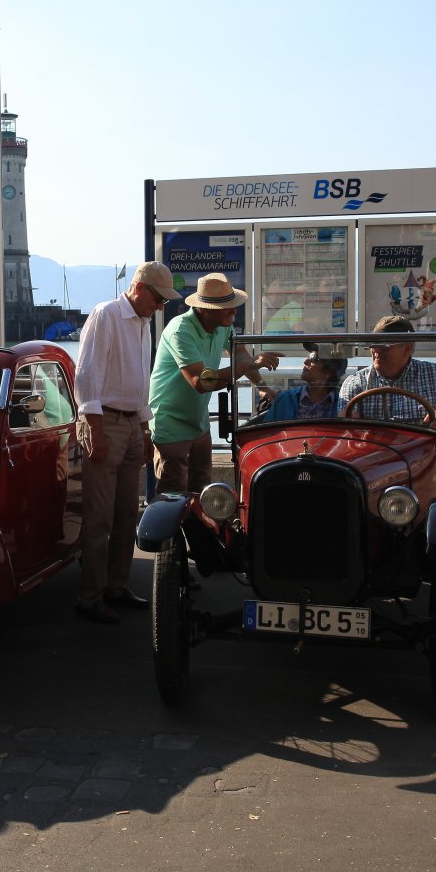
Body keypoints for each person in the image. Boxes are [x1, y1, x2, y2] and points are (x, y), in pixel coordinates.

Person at [70, 261, 179, 625]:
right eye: (158, 298)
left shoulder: (142, 322)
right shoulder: (106, 315)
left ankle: (115, 586)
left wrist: (144, 431)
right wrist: (95, 429)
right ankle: (90, 596)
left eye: (164, 301)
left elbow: (139, 381)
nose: (160, 306)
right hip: (106, 421)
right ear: (139, 288)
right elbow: (87, 377)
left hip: (131, 422)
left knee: (127, 513)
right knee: (100, 516)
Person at [148, 273, 281, 495]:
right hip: (171, 425)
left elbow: (242, 358)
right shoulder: (180, 330)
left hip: (199, 424)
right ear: (206, 309)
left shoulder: (223, 326)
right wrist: (247, 366)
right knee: (173, 495)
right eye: (227, 307)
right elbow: (200, 382)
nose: (234, 311)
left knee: (204, 494)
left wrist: (262, 387)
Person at [337, 314, 436, 427]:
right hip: (374, 452)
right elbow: (347, 425)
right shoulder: (356, 382)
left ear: (408, 348)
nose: (376, 350)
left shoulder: (435, 375)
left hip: (424, 451)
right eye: (373, 344)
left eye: (385, 345)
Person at [261, 346, 347, 421]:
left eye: (313, 358)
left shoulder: (343, 404)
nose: (305, 362)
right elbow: (267, 432)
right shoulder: (284, 399)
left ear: (330, 371)